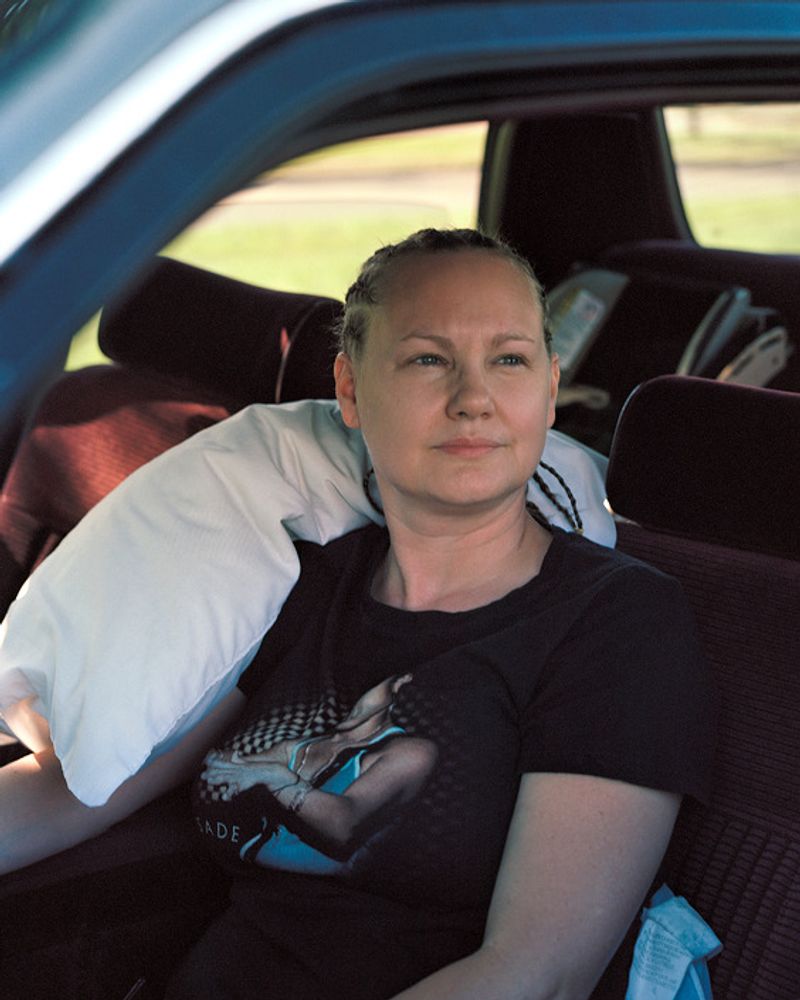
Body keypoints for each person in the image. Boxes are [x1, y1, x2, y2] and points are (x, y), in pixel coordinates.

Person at [1, 228, 714, 1000]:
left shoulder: (618, 621)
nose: (473, 398)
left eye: (509, 360)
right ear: (349, 389)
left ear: (549, 389)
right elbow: (87, 789)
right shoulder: (311, 584)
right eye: (428, 359)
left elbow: (536, 973)